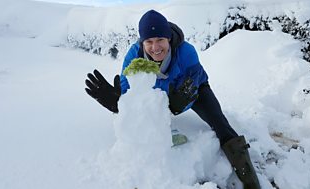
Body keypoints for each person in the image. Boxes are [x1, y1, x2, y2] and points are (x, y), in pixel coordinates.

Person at [85, 10, 261, 189]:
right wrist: (118, 103)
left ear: (168, 38)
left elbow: (195, 80)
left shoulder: (186, 52)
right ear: (142, 42)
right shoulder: (134, 56)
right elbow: (130, 92)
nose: (155, 47)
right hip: (159, 94)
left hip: (194, 90)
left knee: (220, 124)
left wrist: (180, 105)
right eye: (149, 42)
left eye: (160, 39)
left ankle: (250, 180)